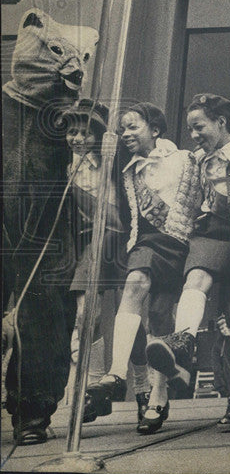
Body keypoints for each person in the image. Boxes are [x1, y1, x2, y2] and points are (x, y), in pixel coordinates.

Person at [144, 94, 230, 431]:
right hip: (208, 231)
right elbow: (180, 192)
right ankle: (183, 340)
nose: (194, 135)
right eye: (190, 130)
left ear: (221, 122)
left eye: (199, 127)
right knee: (195, 278)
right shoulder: (195, 160)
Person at [84, 102, 202, 435]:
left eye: (132, 127)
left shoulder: (183, 159)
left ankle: (158, 397)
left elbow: (193, 204)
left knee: (160, 322)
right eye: (123, 129)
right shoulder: (128, 169)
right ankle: (116, 373)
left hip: (178, 244)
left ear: (155, 129)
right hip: (145, 245)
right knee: (135, 281)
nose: (126, 134)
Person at [62, 100, 152, 423]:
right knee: (87, 313)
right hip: (90, 243)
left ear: (99, 134)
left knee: (131, 316)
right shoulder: (67, 167)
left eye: (85, 132)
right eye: (72, 131)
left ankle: (143, 387)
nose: (77, 138)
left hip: (122, 238)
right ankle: (94, 387)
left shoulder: (114, 158)